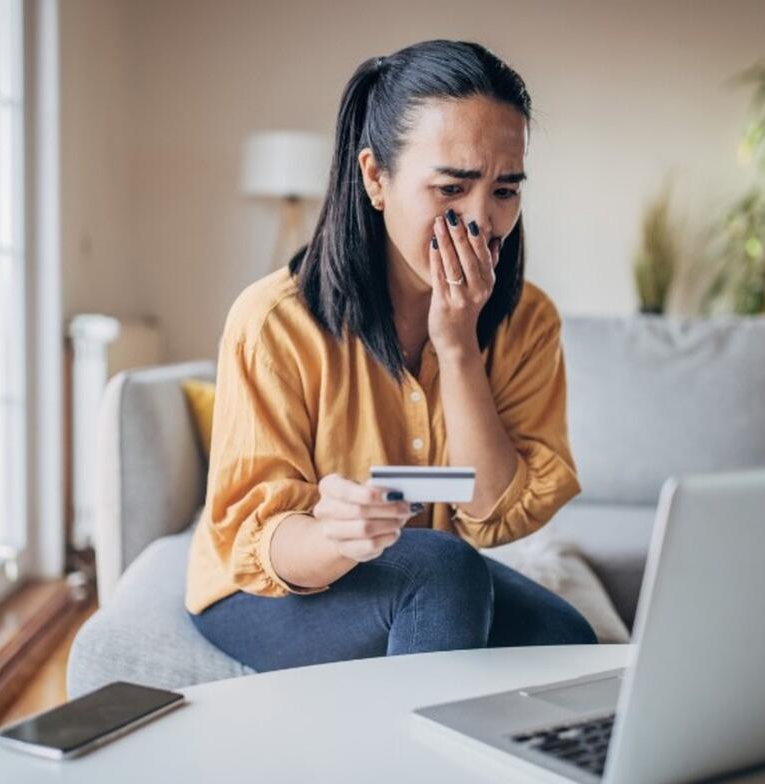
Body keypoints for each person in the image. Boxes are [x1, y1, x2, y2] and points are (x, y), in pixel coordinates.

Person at [186, 39, 596, 672]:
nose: (481, 220)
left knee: (565, 639)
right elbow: (255, 541)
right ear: (376, 177)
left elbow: (492, 515)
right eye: (452, 188)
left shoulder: (527, 320)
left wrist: (458, 347)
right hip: (265, 587)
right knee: (443, 569)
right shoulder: (274, 322)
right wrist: (333, 534)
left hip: (417, 570)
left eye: (505, 191)